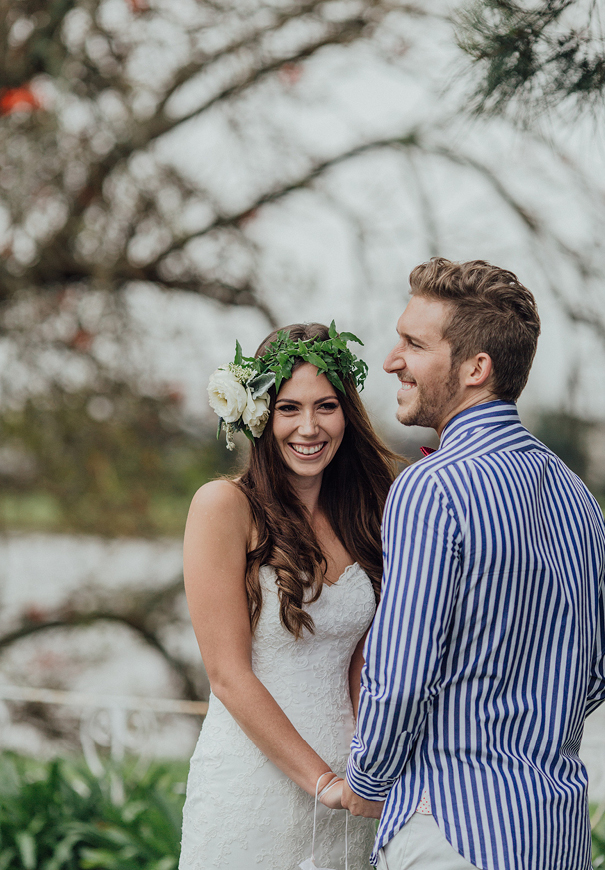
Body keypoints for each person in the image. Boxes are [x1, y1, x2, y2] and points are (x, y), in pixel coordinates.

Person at [342, 258, 605, 870]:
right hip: (556, 833)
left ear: (475, 369)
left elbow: (401, 672)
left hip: (452, 831)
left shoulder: (430, 488)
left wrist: (367, 780)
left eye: (413, 343)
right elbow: (594, 671)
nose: (390, 360)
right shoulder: (579, 497)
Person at [179, 322, 400, 870]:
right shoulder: (223, 507)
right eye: (288, 408)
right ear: (258, 415)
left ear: (347, 413)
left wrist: (371, 770)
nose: (309, 427)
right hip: (253, 787)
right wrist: (320, 780)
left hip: (350, 794)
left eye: (326, 406)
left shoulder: (367, 517)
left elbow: (362, 665)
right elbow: (228, 675)